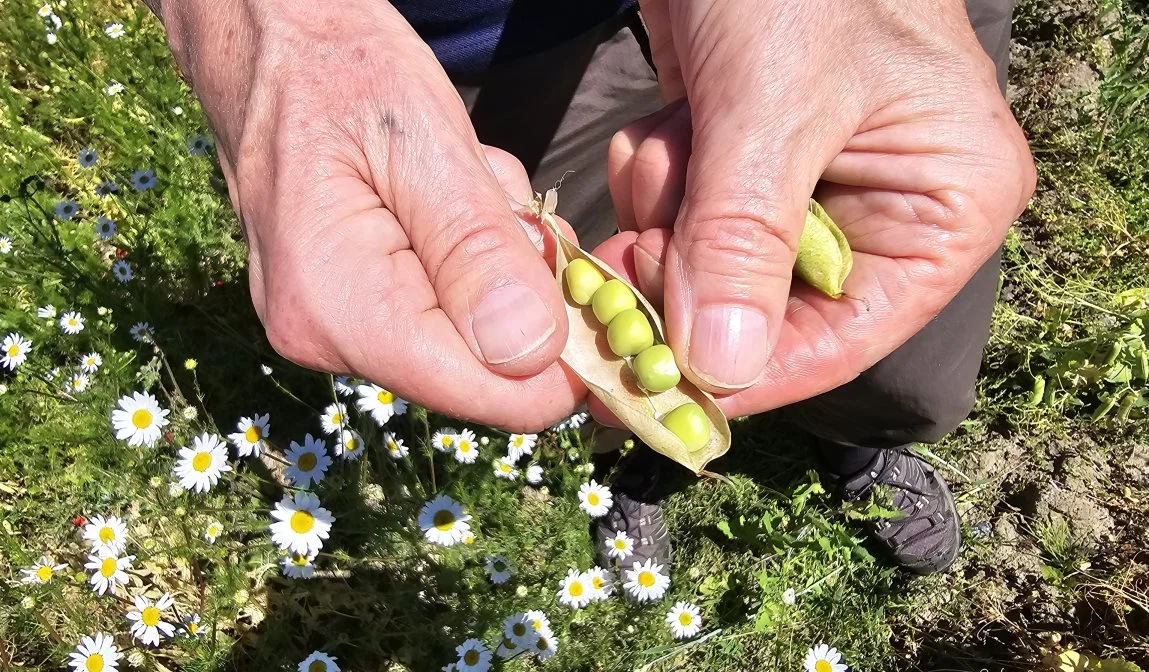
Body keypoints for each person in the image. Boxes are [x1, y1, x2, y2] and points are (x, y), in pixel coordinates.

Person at [146, 0, 1034, 575]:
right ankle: (634, 468)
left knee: (902, 355)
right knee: (575, 331)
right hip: (475, 38)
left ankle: (859, 444)